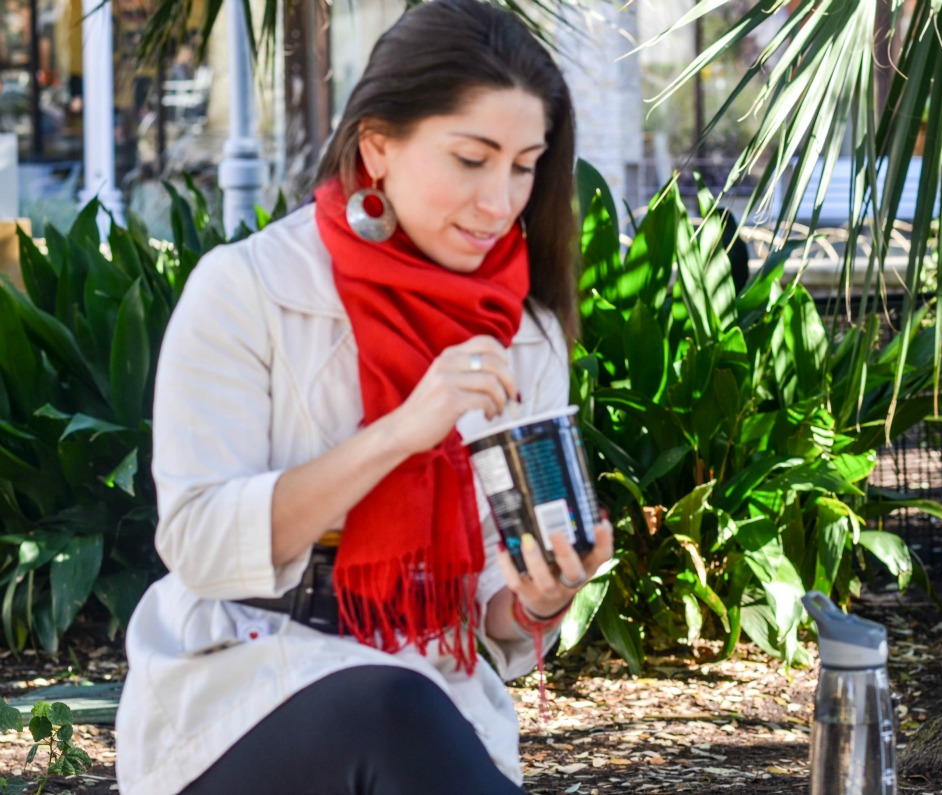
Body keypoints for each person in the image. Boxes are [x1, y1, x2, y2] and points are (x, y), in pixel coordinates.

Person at [114, 2, 613, 792]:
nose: (501, 201)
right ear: (377, 148)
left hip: (430, 684)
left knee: (403, 707)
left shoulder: (524, 331)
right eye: (472, 158)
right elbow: (200, 541)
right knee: (390, 708)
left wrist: (539, 599)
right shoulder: (248, 289)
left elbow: (491, 601)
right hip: (243, 683)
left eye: (525, 165)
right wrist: (401, 432)